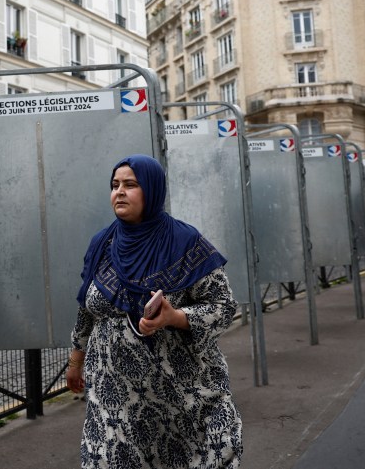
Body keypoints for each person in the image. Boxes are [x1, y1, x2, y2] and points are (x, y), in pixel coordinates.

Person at [66, 154, 243, 469]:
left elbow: (223, 306)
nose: (119, 192)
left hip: (178, 393)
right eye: (114, 185)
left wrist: (174, 317)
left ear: (152, 190)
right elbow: (87, 310)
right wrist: (75, 362)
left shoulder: (184, 242)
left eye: (130, 185)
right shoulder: (102, 245)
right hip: (113, 394)